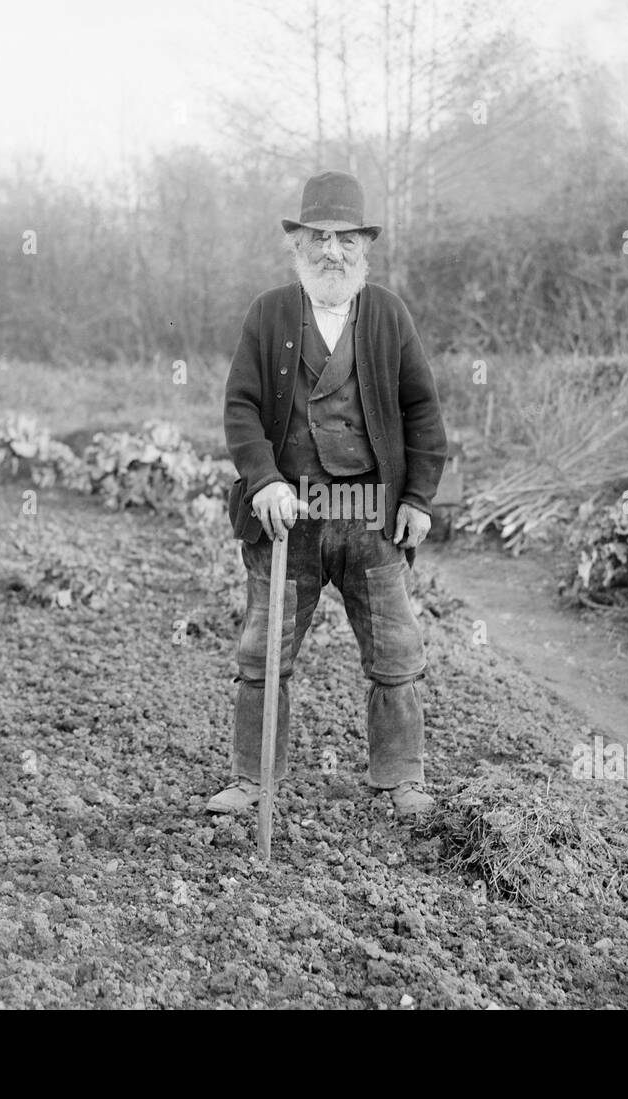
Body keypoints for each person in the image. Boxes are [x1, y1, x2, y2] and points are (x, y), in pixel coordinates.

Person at [208, 169, 448, 818]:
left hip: (371, 521)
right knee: (263, 653)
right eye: (318, 237)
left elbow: (422, 412)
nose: (331, 251)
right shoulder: (271, 313)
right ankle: (253, 780)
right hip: (292, 524)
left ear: (364, 247)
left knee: (396, 652)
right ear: (297, 245)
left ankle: (400, 779)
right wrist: (265, 480)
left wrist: (417, 498)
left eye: (345, 239)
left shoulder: (388, 315)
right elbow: (241, 409)